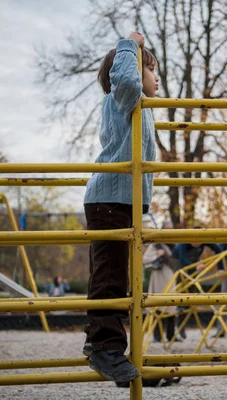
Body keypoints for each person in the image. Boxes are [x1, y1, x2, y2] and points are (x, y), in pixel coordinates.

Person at [82, 31, 159, 383]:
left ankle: (112, 347)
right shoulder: (124, 96)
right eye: (152, 69)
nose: (156, 78)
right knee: (110, 277)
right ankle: (104, 348)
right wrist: (131, 45)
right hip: (109, 200)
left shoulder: (139, 106)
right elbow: (126, 77)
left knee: (120, 279)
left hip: (123, 203)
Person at [143, 243, 180, 342]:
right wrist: (157, 255)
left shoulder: (170, 246)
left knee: (172, 305)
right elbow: (144, 259)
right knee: (157, 306)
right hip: (158, 277)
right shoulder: (155, 246)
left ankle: (171, 335)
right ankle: (157, 336)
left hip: (169, 275)